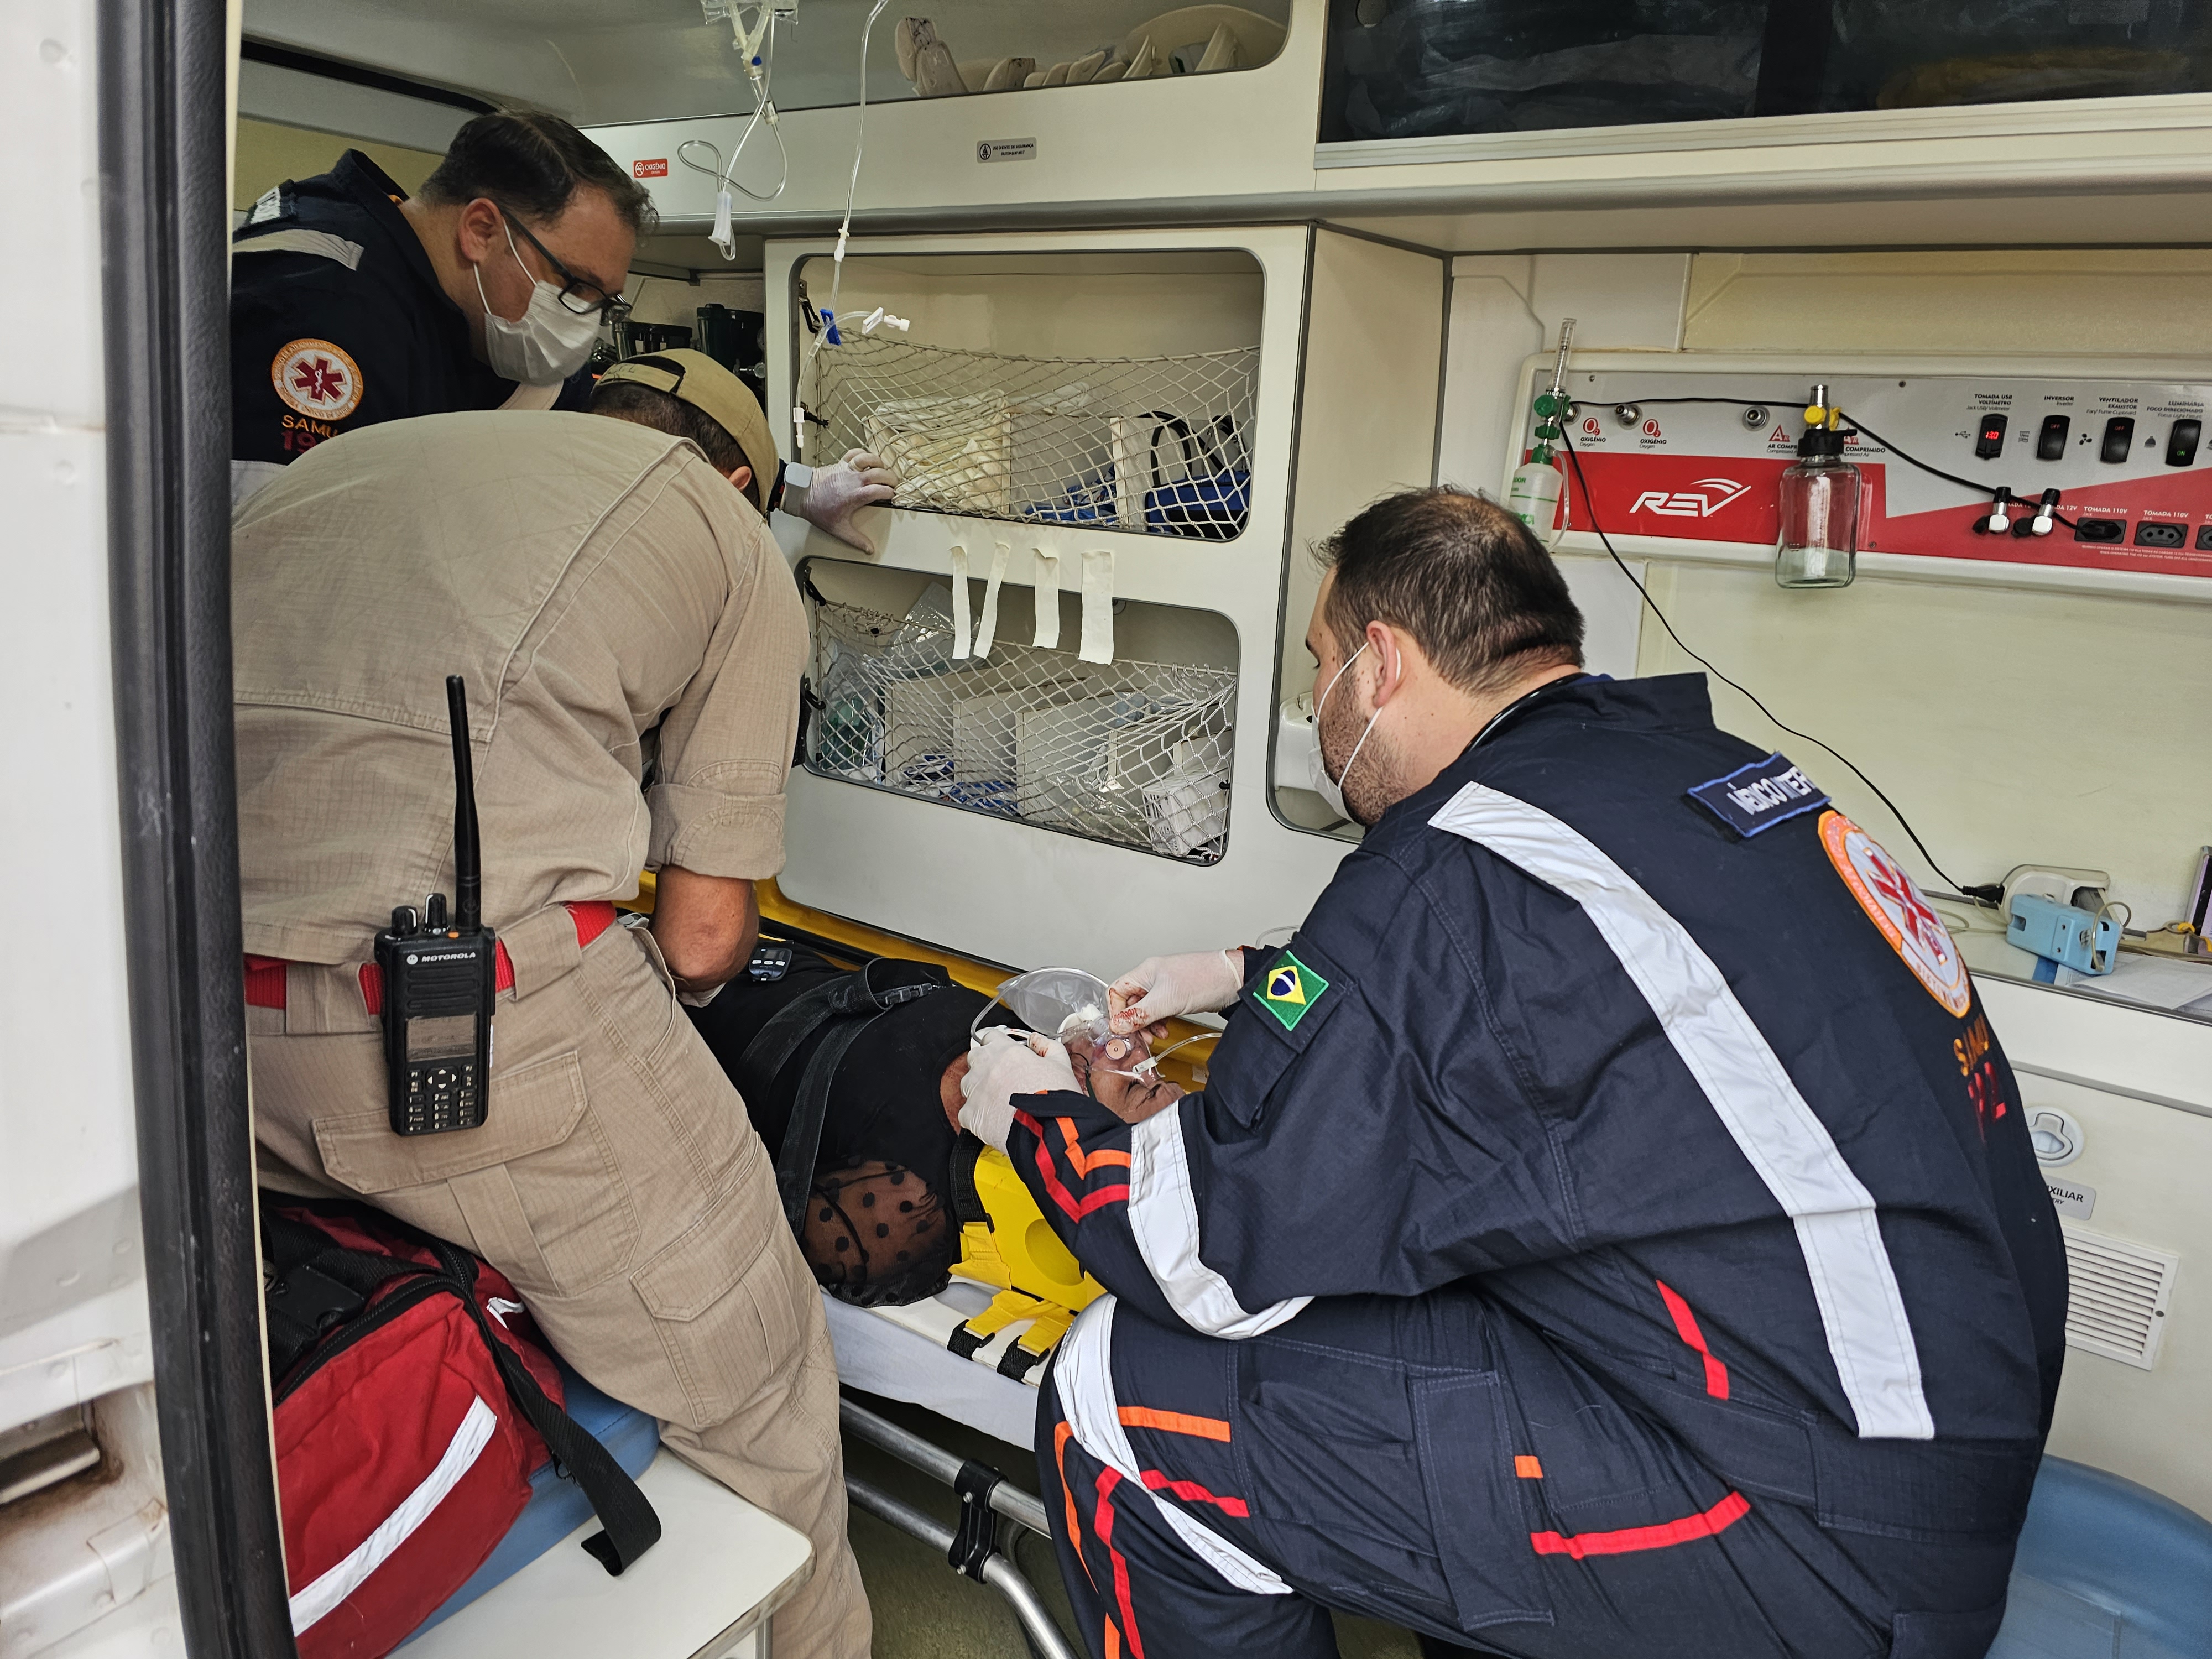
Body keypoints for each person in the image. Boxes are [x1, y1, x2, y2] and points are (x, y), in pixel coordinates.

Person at [961, 487, 2068, 1659]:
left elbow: (1200, 1258)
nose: (1315, 704)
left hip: (1808, 1545)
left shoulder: (1445, 868)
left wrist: (1037, 1113)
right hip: (1940, 1453)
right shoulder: (1688, 770)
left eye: (1319, 662)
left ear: (1378, 665)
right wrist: (1242, 974)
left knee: (1114, 1393)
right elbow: (1560, 1000)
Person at [232, 366, 867, 1659]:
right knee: (757, 1357)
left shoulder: (334, 469)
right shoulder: (719, 534)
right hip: (463, 1041)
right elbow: (700, 937)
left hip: (203, 1048)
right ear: (740, 483)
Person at [229, 110, 895, 551]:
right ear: (481, 231)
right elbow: (269, 561)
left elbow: (627, 455)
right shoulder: (316, 302)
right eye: (575, 286)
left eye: (604, 303)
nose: (580, 320)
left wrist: (799, 492)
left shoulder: (507, 330)